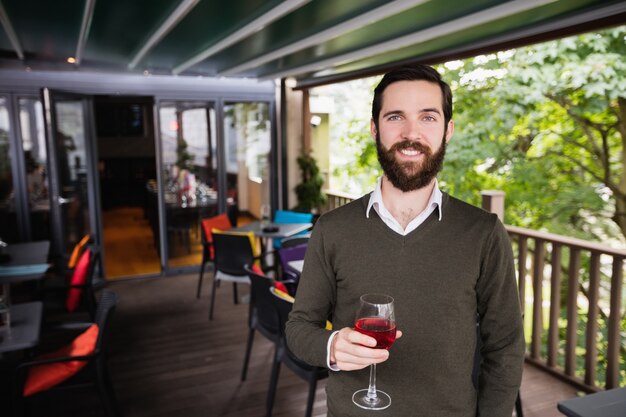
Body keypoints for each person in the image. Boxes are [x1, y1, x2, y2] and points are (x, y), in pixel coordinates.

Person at [285, 64, 525, 417]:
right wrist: (332, 345)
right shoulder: (332, 228)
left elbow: (505, 348)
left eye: (428, 118)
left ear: (448, 130)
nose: (411, 133)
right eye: (396, 117)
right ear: (374, 129)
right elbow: (298, 329)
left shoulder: (484, 232)